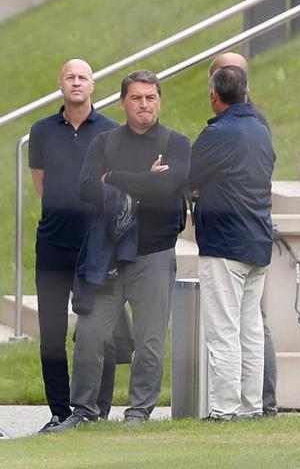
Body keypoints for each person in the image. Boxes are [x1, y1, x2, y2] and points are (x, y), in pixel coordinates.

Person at [47, 70, 191, 431]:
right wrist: (146, 179)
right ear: (124, 102)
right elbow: (85, 189)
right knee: (90, 335)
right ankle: (83, 412)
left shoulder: (176, 143)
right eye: (137, 98)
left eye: (151, 97)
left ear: (159, 100)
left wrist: (114, 179)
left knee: (150, 339)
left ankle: (139, 411)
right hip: (107, 256)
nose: (145, 104)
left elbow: (169, 187)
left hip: (155, 255)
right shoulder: (105, 143)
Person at [28, 59, 119, 433]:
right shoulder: (42, 130)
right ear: (60, 84)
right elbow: (41, 185)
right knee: (51, 333)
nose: (76, 82)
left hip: (96, 246)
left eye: (83, 77)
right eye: (70, 77)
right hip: (52, 245)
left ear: (93, 85)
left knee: (97, 332)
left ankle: (97, 409)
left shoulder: (112, 132)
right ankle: (59, 411)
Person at [190, 64, 275, 420]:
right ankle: (252, 407)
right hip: (257, 241)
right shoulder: (260, 131)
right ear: (246, 91)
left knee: (224, 331)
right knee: (250, 330)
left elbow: (189, 180)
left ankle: (224, 410)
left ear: (214, 95)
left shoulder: (217, 134)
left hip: (224, 244)